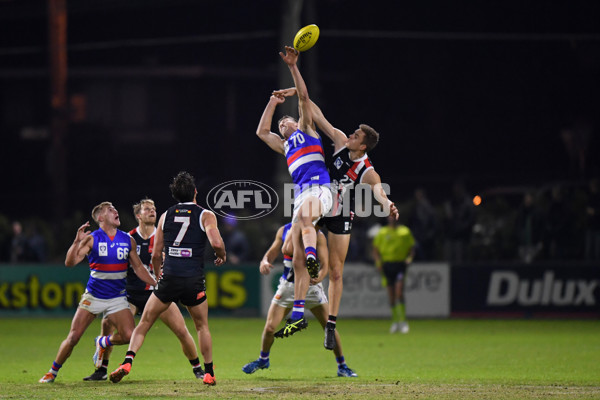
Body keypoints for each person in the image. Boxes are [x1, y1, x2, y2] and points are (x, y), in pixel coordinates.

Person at [271, 87, 398, 349]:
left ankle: (330, 325)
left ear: (363, 146)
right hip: (321, 198)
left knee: (337, 272)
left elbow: (378, 191)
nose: (350, 135)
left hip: (341, 212)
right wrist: (299, 94)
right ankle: (299, 311)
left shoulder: (367, 170)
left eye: (356, 136)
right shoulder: (340, 141)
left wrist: (388, 204)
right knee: (291, 248)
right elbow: (316, 115)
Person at [109, 171, 226, 386]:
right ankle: (208, 373)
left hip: (169, 278)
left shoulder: (166, 215)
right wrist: (221, 255)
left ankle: (127, 361)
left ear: (175, 195)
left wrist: (159, 275)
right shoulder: (205, 215)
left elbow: (156, 255)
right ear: (195, 192)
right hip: (193, 280)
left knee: (144, 323)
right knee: (201, 326)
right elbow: (217, 243)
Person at [256, 46, 332, 338]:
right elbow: (262, 132)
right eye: (280, 123)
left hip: (320, 189)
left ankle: (311, 256)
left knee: (303, 219)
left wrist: (292, 67)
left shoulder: (308, 129)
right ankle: (299, 310)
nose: (282, 123)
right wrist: (273, 103)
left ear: (296, 122)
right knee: (292, 251)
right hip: (302, 194)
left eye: (285, 120)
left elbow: (303, 97)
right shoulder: (285, 145)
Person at [83, 198, 205, 381]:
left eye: (154, 208)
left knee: (181, 330)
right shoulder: (128, 238)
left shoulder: (164, 237)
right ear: (138, 215)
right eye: (147, 209)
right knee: (106, 323)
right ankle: (101, 370)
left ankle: (197, 369)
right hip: (131, 294)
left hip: (158, 293)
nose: (152, 211)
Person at [39, 202, 157, 383]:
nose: (116, 211)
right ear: (101, 218)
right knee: (74, 337)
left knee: (129, 336)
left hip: (117, 297)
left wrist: (156, 283)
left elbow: (139, 268)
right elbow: (70, 262)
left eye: (115, 209)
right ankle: (52, 371)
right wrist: (77, 241)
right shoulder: (93, 239)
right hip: (93, 296)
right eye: (110, 210)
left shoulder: (127, 240)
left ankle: (102, 342)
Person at [242, 223, 358, 377]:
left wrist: (321, 276)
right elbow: (272, 251)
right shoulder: (284, 230)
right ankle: (263, 359)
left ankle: (342, 366)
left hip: (311, 288)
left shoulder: (318, 235)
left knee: (328, 326)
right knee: (270, 328)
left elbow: (324, 264)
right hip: (288, 287)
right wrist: (264, 261)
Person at [372, 215, 415, 334]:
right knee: (391, 296)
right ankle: (395, 321)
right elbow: (375, 249)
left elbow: (412, 248)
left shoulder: (405, 232)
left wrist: (409, 259)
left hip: (400, 265)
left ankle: (403, 321)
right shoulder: (382, 232)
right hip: (387, 265)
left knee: (399, 293)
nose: (392, 219)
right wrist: (378, 262)